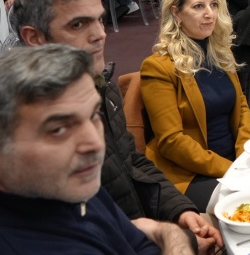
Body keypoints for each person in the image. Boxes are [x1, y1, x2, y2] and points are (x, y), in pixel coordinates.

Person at [11, 0, 221, 253]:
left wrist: (177, 210)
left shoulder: (100, 87)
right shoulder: (22, 125)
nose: (100, 34)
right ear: (34, 38)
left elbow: (130, 161)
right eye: (78, 24)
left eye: (100, 19)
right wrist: (173, 239)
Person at [0, 45, 193, 254]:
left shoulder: (72, 186)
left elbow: (138, 243)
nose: (95, 143)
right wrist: (170, 235)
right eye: (58, 129)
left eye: (94, 115)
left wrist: (166, 231)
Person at [140, 0, 250, 209]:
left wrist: (245, 157)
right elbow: (171, 141)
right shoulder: (159, 67)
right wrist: (230, 169)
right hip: (189, 172)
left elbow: (241, 107)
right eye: (198, 6)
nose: (209, 14)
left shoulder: (220, 53)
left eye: (214, 5)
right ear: (176, 13)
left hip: (235, 162)